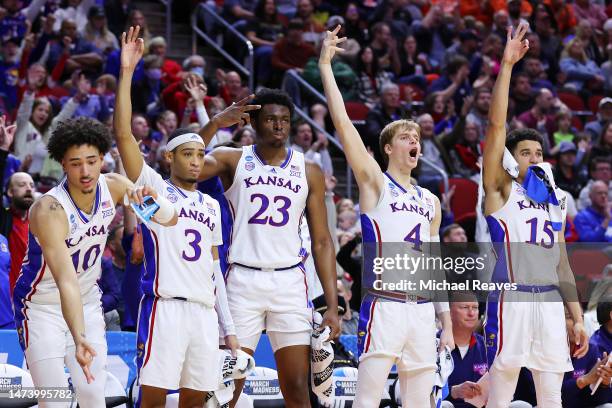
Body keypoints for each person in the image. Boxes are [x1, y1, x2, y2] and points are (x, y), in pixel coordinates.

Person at [320, 26, 453, 406]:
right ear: (388, 148)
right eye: (407, 137)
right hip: (385, 302)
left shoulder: (430, 199)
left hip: (423, 308)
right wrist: (326, 66)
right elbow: (344, 126)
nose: (415, 141)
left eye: (418, 138)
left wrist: (443, 317)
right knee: (368, 398)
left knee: (420, 400)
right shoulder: (376, 184)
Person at [116, 26, 245, 407]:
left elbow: (215, 271)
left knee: (196, 398)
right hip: (165, 305)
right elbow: (123, 135)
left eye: (200, 155)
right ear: (171, 157)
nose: (195, 161)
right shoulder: (156, 187)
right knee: (153, 397)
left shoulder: (210, 205)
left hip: (204, 313)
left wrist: (230, 330)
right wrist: (127, 74)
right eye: (187, 153)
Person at [12, 115, 177, 406]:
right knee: (55, 400)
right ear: (62, 163)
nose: (85, 171)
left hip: (87, 300)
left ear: (102, 158)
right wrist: (78, 338)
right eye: (75, 163)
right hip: (41, 308)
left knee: (92, 396)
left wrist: (153, 200)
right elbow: (66, 280)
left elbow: (170, 219)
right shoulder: (48, 209)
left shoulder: (113, 186)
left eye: (91, 161)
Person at [197, 86, 341, 405]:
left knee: (297, 386)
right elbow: (182, 164)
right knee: (225, 386)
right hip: (242, 281)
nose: (278, 126)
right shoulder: (232, 159)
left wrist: (331, 306)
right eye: (271, 119)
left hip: (289, 282)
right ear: (254, 123)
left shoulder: (309, 170)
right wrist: (215, 124)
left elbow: (321, 241)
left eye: (285, 120)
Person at [481, 23, 588, 408]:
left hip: (549, 303)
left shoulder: (556, 200)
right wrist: (507, 66)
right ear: (512, 161)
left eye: (538, 154)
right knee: (502, 393)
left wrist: (575, 316)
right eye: (525, 153)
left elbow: (561, 264)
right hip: (512, 299)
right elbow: (495, 127)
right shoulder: (501, 189)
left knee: (551, 397)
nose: (535, 159)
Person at [441, 292, 487, 408]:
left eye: (475, 308)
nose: (471, 313)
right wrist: (453, 391)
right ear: (449, 313)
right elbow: (419, 389)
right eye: (465, 307)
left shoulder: (487, 347)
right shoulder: (434, 344)